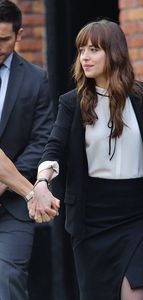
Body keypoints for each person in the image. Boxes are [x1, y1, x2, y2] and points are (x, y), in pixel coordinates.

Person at [30, 19, 143, 300]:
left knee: (136, 294)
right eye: (81, 50)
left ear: (115, 53)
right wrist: (41, 183)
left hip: (139, 217)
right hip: (91, 220)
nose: (85, 57)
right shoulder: (71, 103)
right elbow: (54, 148)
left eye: (94, 49)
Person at [0, 1, 58, 299]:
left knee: (9, 280)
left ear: (19, 34)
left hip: (12, 208)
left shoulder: (36, 79)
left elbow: (42, 140)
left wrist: (5, 183)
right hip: (25, 193)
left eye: (3, 39)